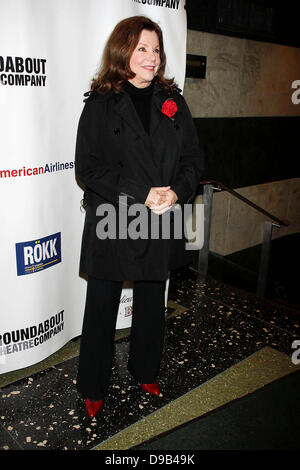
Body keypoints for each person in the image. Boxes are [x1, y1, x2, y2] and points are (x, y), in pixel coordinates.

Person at [75, 16, 204, 418]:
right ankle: (94, 386)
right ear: (123, 52)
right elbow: (88, 168)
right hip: (114, 218)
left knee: (152, 302)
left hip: (160, 216)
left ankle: (145, 369)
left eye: (156, 49)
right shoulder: (100, 103)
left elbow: (193, 160)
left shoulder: (173, 101)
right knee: (101, 305)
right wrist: (142, 192)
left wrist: (177, 191)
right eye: (142, 49)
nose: (152, 58)